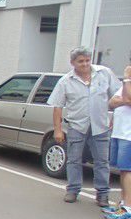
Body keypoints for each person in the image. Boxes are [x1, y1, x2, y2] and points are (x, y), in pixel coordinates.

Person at [48, 47, 121, 206]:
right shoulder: (66, 81)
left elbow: (117, 97)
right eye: (81, 61)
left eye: (87, 60)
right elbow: (57, 106)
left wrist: (115, 118)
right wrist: (58, 130)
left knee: (102, 161)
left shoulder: (104, 73)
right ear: (73, 63)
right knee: (74, 160)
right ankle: (73, 190)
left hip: (100, 126)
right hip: (77, 126)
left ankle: (102, 194)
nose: (85, 64)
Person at [104, 66, 131, 219]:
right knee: (123, 170)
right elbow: (112, 102)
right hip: (120, 132)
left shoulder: (127, 82)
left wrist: (127, 78)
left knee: (128, 170)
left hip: (129, 135)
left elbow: (128, 99)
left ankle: (128, 207)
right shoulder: (127, 84)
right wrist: (123, 100)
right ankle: (124, 203)